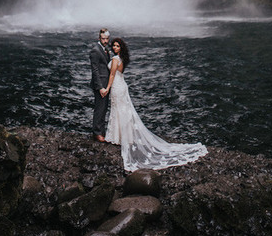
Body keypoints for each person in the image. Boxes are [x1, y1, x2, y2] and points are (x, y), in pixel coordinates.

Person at [103, 37, 208, 172]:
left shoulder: (116, 60)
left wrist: (106, 88)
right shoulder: (122, 59)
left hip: (117, 86)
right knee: (123, 111)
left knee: (118, 111)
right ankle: (123, 137)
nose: (115, 48)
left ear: (121, 47)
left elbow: (112, 75)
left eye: (117, 46)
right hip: (122, 85)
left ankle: (118, 137)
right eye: (114, 46)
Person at [89, 28, 111, 142]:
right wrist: (100, 87)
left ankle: (101, 131)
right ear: (99, 38)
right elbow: (95, 71)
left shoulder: (104, 49)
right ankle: (97, 133)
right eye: (103, 39)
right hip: (100, 85)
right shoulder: (95, 51)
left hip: (105, 84)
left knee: (103, 109)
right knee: (99, 108)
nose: (105, 41)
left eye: (107, 38)